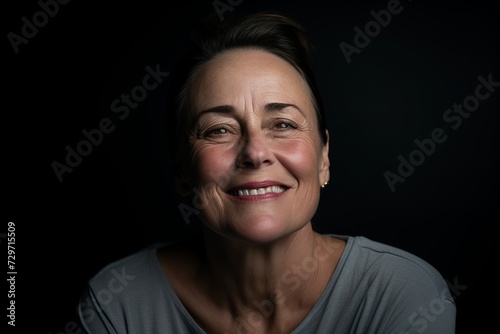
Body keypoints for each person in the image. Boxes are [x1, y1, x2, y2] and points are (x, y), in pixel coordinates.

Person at [77, 11, 456, 334]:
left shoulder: (402, 294)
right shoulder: (118, 304)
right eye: (219, 130)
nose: (255, 153)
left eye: (283, 125)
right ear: (181, 171)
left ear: (324, 158)